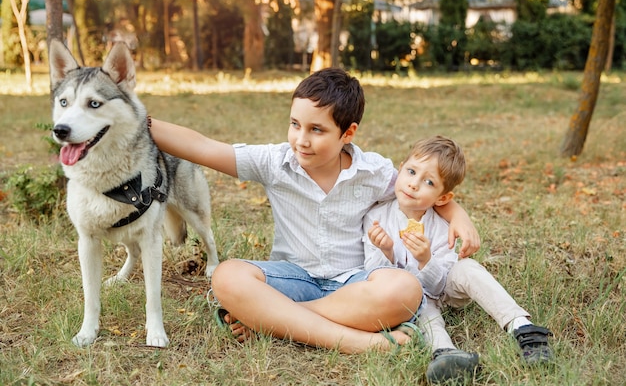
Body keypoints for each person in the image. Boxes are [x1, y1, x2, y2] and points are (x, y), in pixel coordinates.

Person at [149, 68, 480, 354]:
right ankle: (358, 342)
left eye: (316, 130)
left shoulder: (373, 172)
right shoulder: (274, 162)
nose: (301, 140)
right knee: (227, 277)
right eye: (295, 124)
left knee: (406, 289)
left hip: (355, 285)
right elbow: (203, 147)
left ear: (347, 133)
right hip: (294, 277)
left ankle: (275, 320)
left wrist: (458, 215)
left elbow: (420, 193)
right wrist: (137, 118)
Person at [364, 136, 553, 382]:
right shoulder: (376, 218)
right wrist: (386, 251)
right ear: (400, 169)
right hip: (409, 299)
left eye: (428, 182)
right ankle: (445, 353)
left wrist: (425, 259)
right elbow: (372, 278)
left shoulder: (444, 224)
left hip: (443, 289)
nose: (413, 184)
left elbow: (439, 285)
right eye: (411, 172)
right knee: (423, 311)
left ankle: (522, 327)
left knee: (468, 268)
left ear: (442, 198)